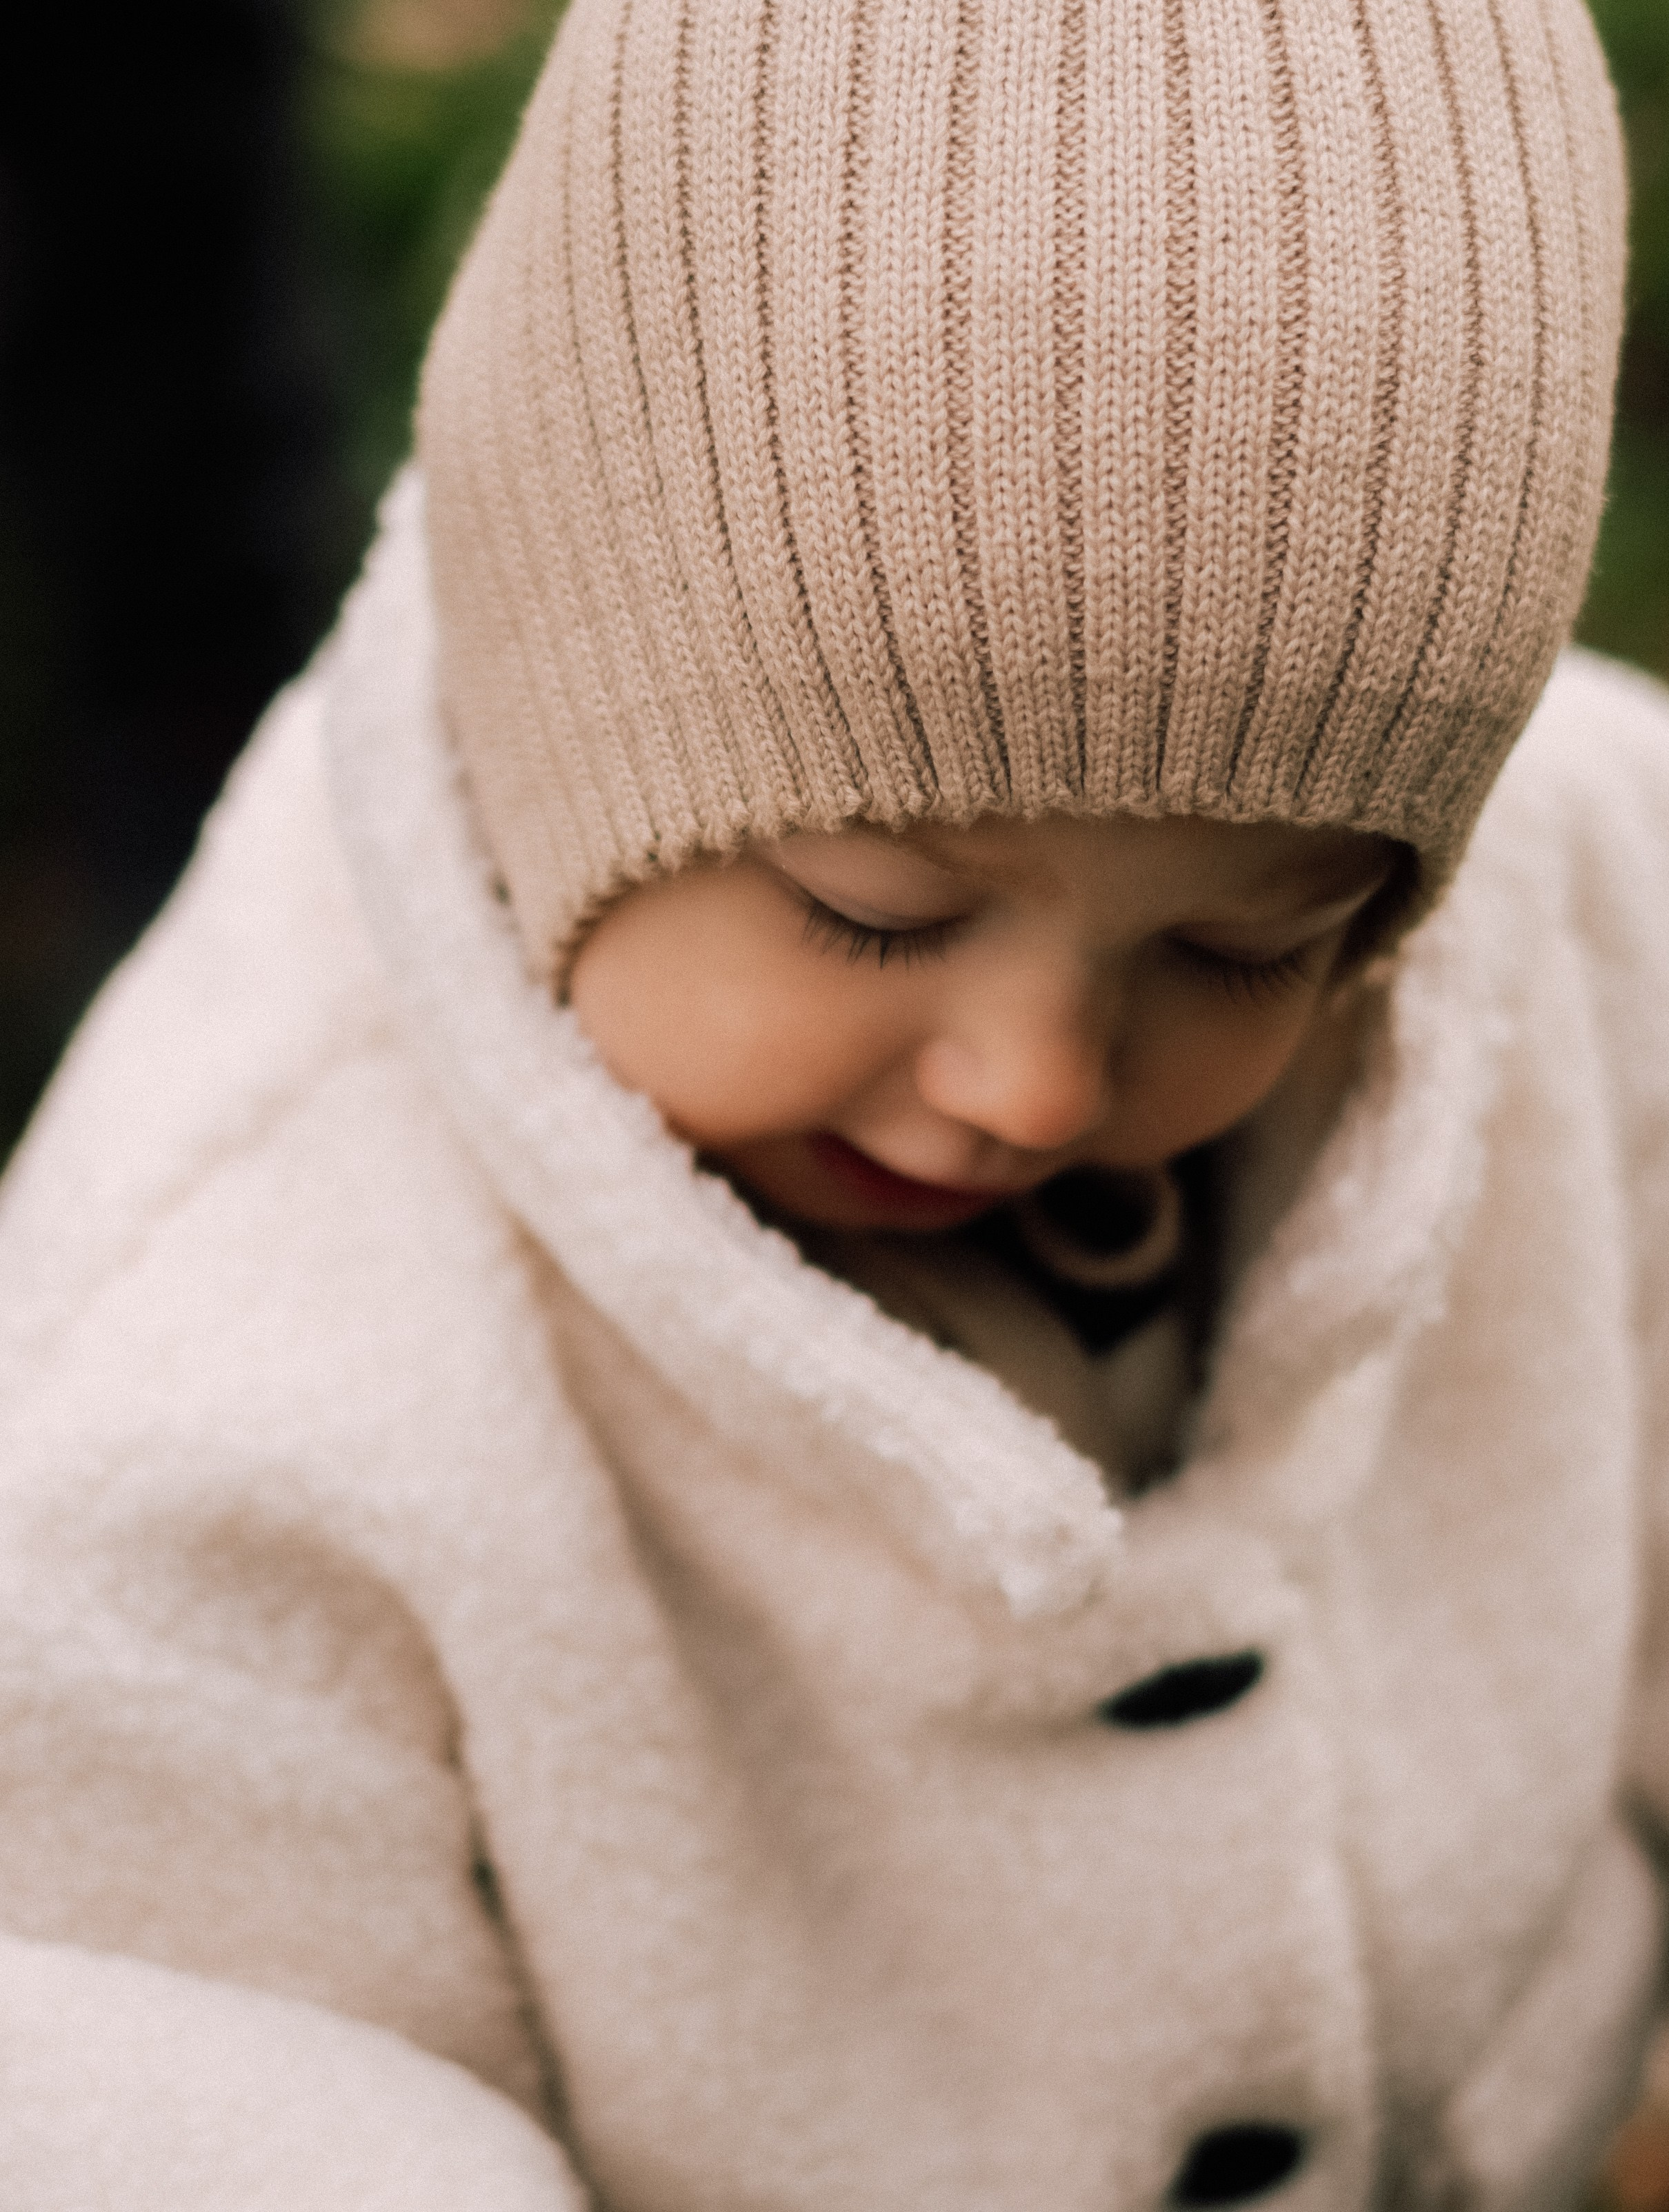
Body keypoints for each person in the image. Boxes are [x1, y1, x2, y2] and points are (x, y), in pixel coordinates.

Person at [0, 0, 1663, 2205]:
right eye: (874, 912)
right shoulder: (198, 1393)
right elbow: (225, 2101)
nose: (1036, 1079)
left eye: (1244, 948)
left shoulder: (1585, 896)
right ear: (565, 701)